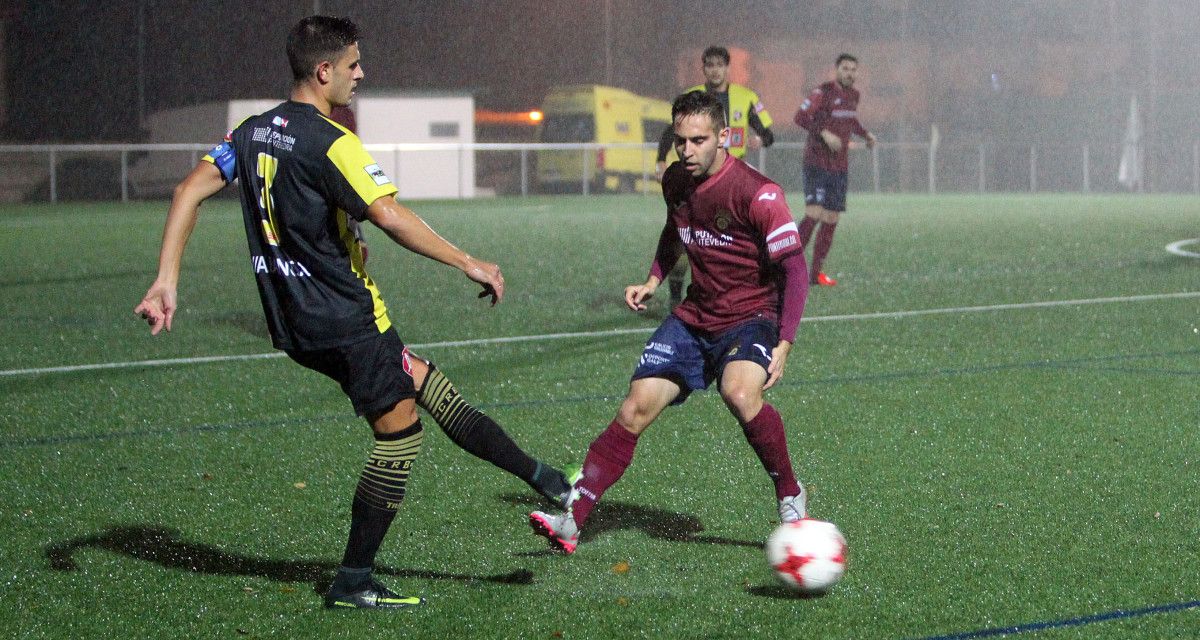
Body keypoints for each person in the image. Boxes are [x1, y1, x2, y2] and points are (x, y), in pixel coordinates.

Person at [134, 15, 571, 609]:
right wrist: (467, 261)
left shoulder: (253, 131)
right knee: (400, 439)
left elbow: (188, 190)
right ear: (324, 70)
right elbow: (389, 215)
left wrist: (166, 279)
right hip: (344, 318)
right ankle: (353, 580)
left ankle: (544, 480)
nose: (360, 74)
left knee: (424, 383)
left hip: (294, 321)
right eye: (353, 65)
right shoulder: (332, 141)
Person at [529, 90, 809, 554]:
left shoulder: (759, 193)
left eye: (698, 140)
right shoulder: (676, 180)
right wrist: (654, 279)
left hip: (751, 317)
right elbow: (674, 230)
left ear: (724, 137)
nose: (687, 150)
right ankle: (571, 522)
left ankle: (789, 493)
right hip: (695, 317)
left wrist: (785, 341)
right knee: (634, 407)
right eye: (680, 140)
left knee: (739, 393)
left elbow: (795, 269)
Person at [653, 45, 777, 308]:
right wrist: (661, 160)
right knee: (688, 239)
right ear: (704, 69)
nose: (715, 70)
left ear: (727, 68)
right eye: (709, 65)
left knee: (735, 241)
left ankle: (737, 298)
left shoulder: (745, 97)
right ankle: (677, 297)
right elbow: (669, 132)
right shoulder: (691, 97)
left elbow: (769, 134)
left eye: (719, 65)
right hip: (695, 181)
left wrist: (759, 139)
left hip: (733, 181)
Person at [792, 53, 876, 287]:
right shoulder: (823, 92)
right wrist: (824, 133)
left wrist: (865, 134)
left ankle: (815, 275)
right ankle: (787, 270)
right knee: (814, 214)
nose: (849, 73)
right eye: (845, 68)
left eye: (853, 69)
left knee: (831, 217)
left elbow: (851, 121)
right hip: (817, 163)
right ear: (836, 70)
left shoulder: (854, 96)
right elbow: (800, 117)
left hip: (839, 167)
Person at [328, 105, 371, 262]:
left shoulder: (344, 113)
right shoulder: (310, 116)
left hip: (342, 187)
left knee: (358, 251)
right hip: (329, 189)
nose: (357, 78)